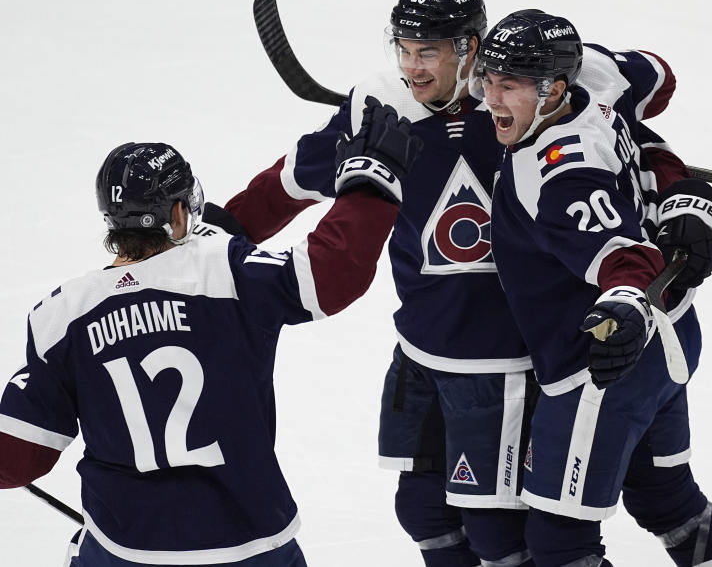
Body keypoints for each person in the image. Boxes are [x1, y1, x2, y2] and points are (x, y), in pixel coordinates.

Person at [224, 0, 677, 567]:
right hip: (424, 344)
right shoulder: (382, 104)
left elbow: (657, 83)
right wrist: (216, 235)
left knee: (499, 535)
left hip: (511, 358)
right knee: (424, 512)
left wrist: (582, 72)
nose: (412, 67)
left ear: (471, 46)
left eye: (428, 52)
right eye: (404, 50)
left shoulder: (533, 96)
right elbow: (294, 178)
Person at [0, 98, 421, 566]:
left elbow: (17, 457)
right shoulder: (227, 272)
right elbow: (330, 274)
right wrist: (371, 188)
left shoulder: (63, 315)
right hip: (251, 545)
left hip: (126, 550)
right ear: (179, 214)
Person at [477, 10, 712, 567]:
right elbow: (658, 75)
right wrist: (676, 186)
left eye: (508, 87)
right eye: (487, 81)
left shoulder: (559, 174)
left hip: (602, 362)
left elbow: (627, 261)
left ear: (555, 89)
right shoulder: (601, 73)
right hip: (674, 335)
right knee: (669, 501)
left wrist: (625, 305)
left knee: (560, 543)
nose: (491, 101)